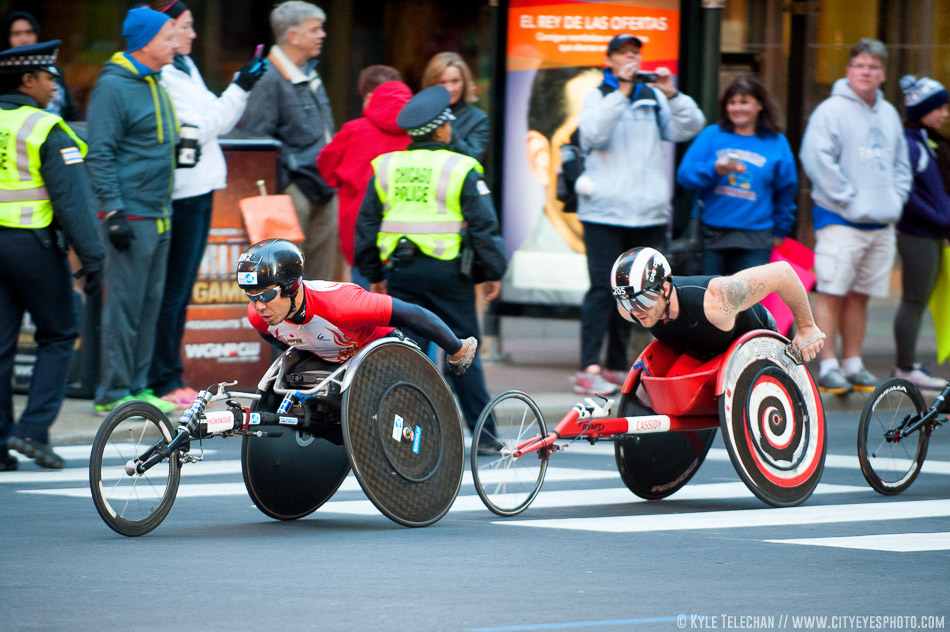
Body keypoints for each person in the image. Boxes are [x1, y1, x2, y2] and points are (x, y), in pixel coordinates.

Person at [353, 86, 507, 453]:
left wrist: (374, 273)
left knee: (411, 354)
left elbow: (367, 225)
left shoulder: (387, 166)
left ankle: (407, 434)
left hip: (401, 272)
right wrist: (492, 272)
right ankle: (484, 436)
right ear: (441, 129)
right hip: (449, 275)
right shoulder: (462, 167)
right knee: (463, 347)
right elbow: (484, 226)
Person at [146, 0, 267, 409]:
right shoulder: (163, 73)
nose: (193, 34)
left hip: (200, 187)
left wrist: (238, 87)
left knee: (180, 290)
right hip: (181, 192)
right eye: (186, 26)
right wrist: (242, 85)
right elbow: (204, 126)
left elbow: (219, 117)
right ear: (166, 30)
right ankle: (163, 376)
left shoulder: (185, 66)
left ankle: (166, 373)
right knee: (174, 290)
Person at [574, 33, 705, 396]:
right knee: (603, 289)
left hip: (646, 214)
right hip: (604, 212)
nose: (631, 58)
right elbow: (592, 135)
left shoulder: (653, 97)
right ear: (610, 60)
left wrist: (672, 94)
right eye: (624, 53)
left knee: (639, 292)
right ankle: (589, 368)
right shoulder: (600, 95)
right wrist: (623, 93)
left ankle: (618, 366)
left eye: (636, 53)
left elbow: (690, 126)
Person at [0, 41, 104, 470]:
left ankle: (3, 442)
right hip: (33, 246)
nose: (55, 86)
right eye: (49, 77)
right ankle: (32, 431)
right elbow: (73, 202)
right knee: (60, 333)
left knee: (1, 346)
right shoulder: (46, 128)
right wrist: (93, 259)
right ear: (28, 81)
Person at [799, 38, 911, 396]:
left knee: (861, 295)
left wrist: (894, 199)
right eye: (860, 65)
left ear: (882, 74)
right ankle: (828, 363)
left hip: (881, 222)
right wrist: (850, 199)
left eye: (874, 67)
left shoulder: (889, 113)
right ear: (849, 70)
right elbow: (816, 160)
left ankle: (853, 362)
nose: (867, 72)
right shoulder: (831, 111)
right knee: (832, 292)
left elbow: (901, 166)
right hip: (840, 219)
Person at [85, 7, 179, 415]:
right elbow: (100, 153)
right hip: (132, 215)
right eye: (168, 37)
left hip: (159, 213)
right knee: (124, 307)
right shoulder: (114, 87)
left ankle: (137, 387)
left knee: (148, 305)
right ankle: (113, 392)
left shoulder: (156, 82)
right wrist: (113, 210)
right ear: (145, 43)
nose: (174, 43)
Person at [236, 239, 477, 373]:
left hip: (381, 351)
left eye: (266, 295)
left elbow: (411, 314)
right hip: (334, 360)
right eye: (251, 296)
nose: (259, 306)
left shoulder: (342, 305)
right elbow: (281, 340)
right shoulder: (259, 318)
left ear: (290, 287)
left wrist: (456, 347)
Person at [239, 1, 340, 281]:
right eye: (315, 29)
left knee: (320, 283)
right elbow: (257, 142)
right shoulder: (268, 77)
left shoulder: (311, 72)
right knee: (287, 281)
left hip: (325, 186)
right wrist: (286, 183)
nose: (322, 35)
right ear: (293, 36)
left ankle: (315, 327)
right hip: (291, 192)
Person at [611, 247, 824, 363]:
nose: (636, 309)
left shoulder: (717, 299)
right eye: (627, 301)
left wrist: (806, 328)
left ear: (665, 289)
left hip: (756, 347)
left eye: (643, 300)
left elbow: (783, 273)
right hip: (703, 350)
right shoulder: (628, 310)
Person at [676, 73, 798, 275]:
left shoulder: (776, 142)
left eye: (744, 102)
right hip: (712, 233)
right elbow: (685, 176)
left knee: (748, 304)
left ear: (760, 105)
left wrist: (781, 230)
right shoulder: (711, 135)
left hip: (757, 236)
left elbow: (786, 190)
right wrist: (714, 169)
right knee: (711, 300)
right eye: (732, 102)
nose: (737, 108)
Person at [318, 66, 411, 290]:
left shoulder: (353, 131)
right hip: (410, 241)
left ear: (369, 97)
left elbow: (325, 169)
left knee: (367, 314)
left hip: (360, 237)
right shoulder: (419, 133)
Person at [891, 75, 950, 390]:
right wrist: (941, 221)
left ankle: (908, 364)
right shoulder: (911, 144)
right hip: (917, 232)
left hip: (933, 232)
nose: (945, 114)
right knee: (914, 299)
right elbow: (909, 195)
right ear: (923, 109)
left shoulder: (930, 141)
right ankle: (904, 367)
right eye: (939, 107)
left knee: (921, 298)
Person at [2, 11, 76, 120]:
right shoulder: (3, 73)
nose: (24, 39)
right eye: (16, 33)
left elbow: (69, 111)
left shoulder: (54, 70)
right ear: (28, 80)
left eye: (29, 32)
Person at [421, 52, 489, 164]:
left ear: (464, 83)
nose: (450, 88)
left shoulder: (478, 118)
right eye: (442, 82)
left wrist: (450, 135)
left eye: (455, 81)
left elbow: (475, 159)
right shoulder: (422, 114)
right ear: (431, 84)